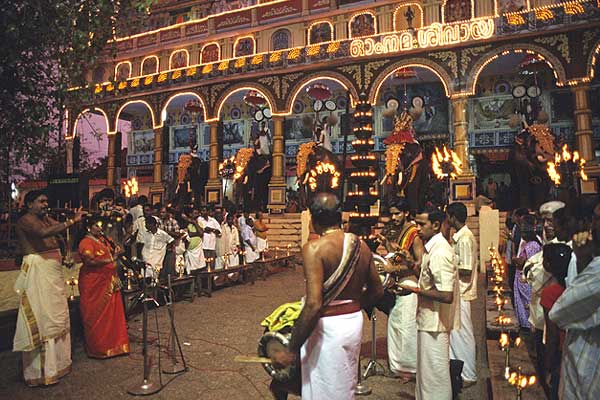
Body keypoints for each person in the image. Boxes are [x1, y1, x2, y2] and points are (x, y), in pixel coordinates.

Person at [271, 193, 384, 400]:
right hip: (352, 323)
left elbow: (314, 304)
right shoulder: (361, 246)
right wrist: (352, 307)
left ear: (313, 219)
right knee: (343, 381)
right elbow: (377, 290)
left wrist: (291, 349)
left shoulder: (314, 249)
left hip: (327, 327)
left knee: (323, 386)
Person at [13, 190, 85, 386]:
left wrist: (75, 219)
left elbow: (59, 231)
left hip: (52, 272)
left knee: (57, 316)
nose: (46, 205)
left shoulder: (45, 218)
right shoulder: (26, 220)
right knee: (44, 318)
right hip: (38, 271)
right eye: (41, 201)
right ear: (29, 204)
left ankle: (60, 365)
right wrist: (71, 221)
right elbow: (43, 233)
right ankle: (42, 372)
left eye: (46, 201)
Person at [399, 207, 459, 400]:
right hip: (427, 320)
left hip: (435, 324)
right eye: (416, 223)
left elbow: (446, 294)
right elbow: (427, 280)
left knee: (435, 376)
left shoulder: (440, 252)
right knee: (427, 374)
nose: (417, 229)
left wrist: (414, 290)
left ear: (435, 225)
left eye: (422, 224)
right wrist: (410, 264)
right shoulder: (431, 248)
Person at [549, 200, 600, 400]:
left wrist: (583, 260)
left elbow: (558, 313)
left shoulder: (597, 271)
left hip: (587, 378)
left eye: (597, 219)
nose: (591, 226)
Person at [377, 197, 424, 381]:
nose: (394, 217)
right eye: (392, 214)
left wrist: (392, 269)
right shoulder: (401, 231)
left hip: (410, 284)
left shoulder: (414, 235)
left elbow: (418, 266)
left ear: (406, 213)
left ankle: (411, 369)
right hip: (397, 285)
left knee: (407, 328)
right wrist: (385, 243)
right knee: (395, 326)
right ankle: (398, 367)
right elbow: (397, 255)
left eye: (398, 213)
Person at [77, 216, 129, 359]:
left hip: (109, 281)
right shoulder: (85, 242)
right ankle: (99, 348)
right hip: (94, 283)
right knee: (95, 315)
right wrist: (112, 258)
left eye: (101, 226)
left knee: (112, 315)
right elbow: (90, 260)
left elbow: (116, 251)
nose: (101, 229)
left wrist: (115, 250)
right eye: (97, 226)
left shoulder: (103, 240)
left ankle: (115, 345)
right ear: (89, 228)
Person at [447, 202, 478, 386]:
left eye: (448, 216)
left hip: (462, 291)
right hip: (457, 291)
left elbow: (465, 269)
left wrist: (446, 265)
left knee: (464, 334)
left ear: (453, 217)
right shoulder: (459, 237)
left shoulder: (465, 238)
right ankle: (457, 370)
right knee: (455, 334)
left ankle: (469, 374)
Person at [540, 243, 571, 400]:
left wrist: (548, 364)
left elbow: (552, 333)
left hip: (559, 351)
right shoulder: (573, 287)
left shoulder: (550, 293)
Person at [512, 215, 542, 329]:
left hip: (526, 280)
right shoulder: (531, 244)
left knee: (527, 304)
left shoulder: (532, 245)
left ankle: (527, 326)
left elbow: (521, 262)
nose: (522, 234)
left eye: (524, 231)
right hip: (524, 279)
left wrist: (514, 257)